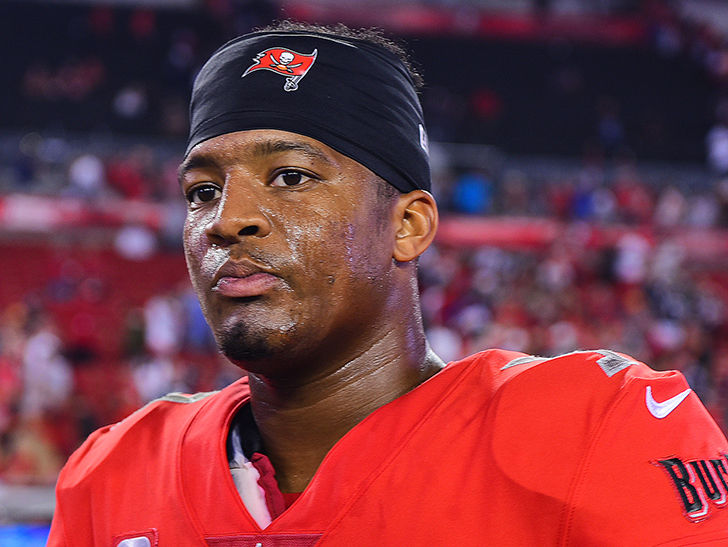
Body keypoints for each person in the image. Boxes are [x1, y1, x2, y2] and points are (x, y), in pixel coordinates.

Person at [48, 21, 728, 546]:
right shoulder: (112, 473)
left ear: (407, 225)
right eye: (202, 191)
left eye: (291, 176)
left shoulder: (594, 433)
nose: (227, 220)